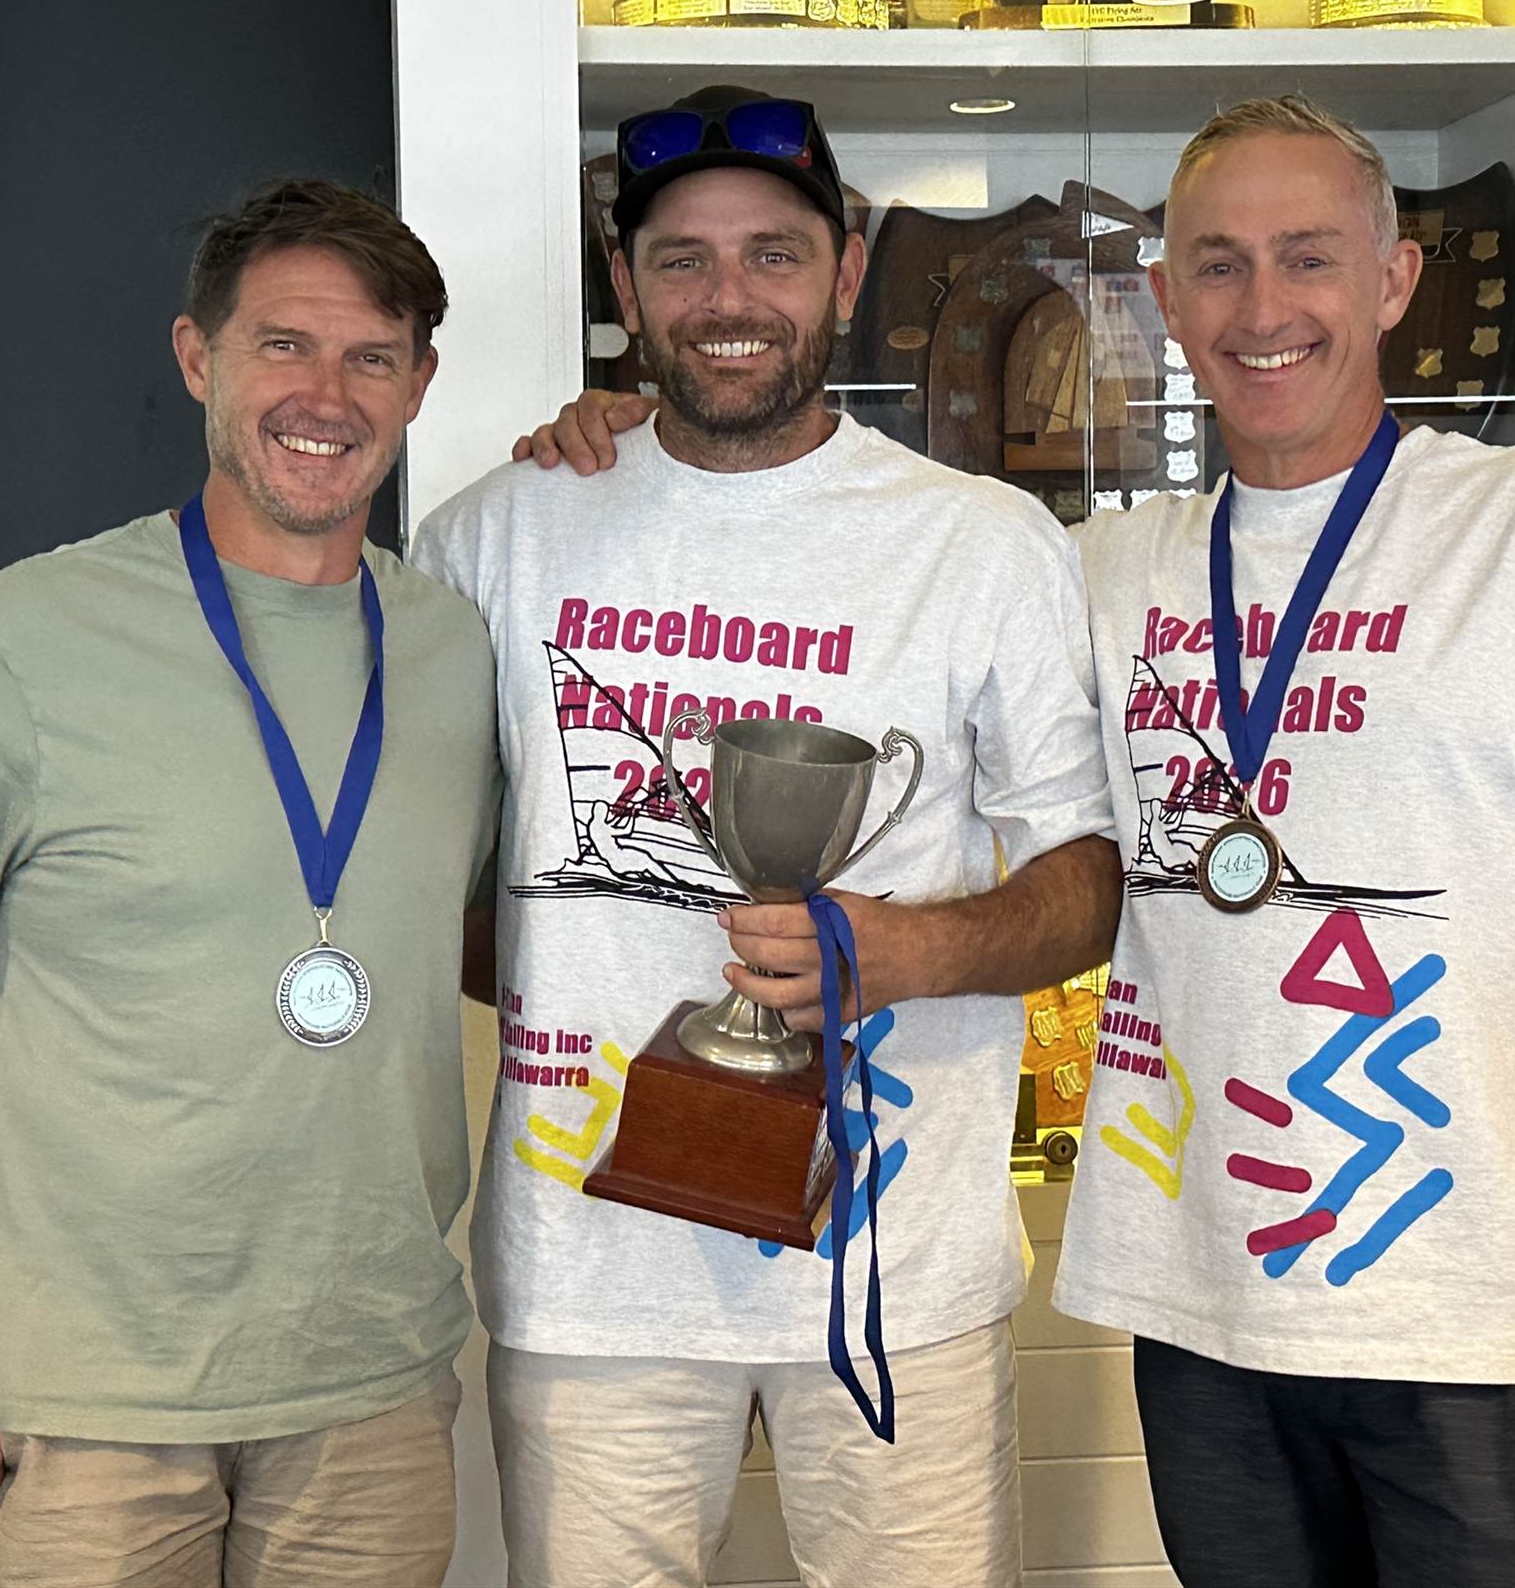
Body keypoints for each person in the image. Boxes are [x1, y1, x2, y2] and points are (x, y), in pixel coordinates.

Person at [524, 94, 1515, 1588]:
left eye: (1308, 258)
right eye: (1219, 266)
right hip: (1202, 1316)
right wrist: (648, 438)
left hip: (1483, 1324)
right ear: (1167, 299)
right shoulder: (1099, 567)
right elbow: (832, 560)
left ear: (1393, 280)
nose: (1264, 309)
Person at [411, 85, 1118, 1588]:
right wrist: (568, 966)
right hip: (590, 1268)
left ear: (846, 271)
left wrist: (907, 950)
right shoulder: (495, 535)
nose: (728, 299)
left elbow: (1084, 886)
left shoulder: (983, 542)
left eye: (774, 255)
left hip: (894, 1268)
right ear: (625, 285)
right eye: (682, 259)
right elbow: (431, 882)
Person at [0, 178, 498, 1586]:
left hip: (371, 1378)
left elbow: (477, 934)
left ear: (420, 383)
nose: (327, 395)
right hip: (91, 1405)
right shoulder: (29, 636)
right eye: (283, 345)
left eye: (372, 356)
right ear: (199, 357)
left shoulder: (455, 650)